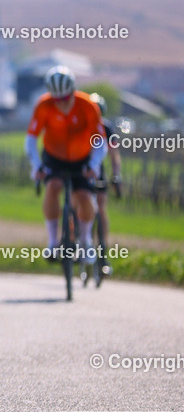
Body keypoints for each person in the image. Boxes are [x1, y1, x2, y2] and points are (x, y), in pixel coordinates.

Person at [24, 66, 106, 262]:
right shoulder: (43, 105)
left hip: (82, 158)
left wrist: (94, 165)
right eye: (57, 99)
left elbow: (101, 141)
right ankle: (53, 242)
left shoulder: (87, 105)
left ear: (73, 91)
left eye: (65, 98)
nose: (61, 103)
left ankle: (85, 241)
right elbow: (30, 139)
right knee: (53, 187)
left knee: (85, 197)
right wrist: (36, 166)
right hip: (54, 157)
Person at [89, 93, 121, 276]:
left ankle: (103, 254)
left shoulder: (106, 128)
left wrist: (116, 175)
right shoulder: (80, 125)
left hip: (97, 172)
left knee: (101, 209)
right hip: (79, 169)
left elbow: (114, 155)